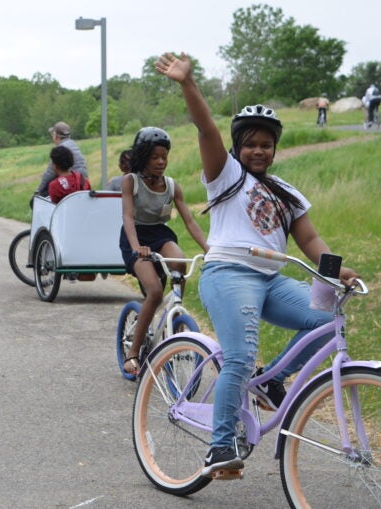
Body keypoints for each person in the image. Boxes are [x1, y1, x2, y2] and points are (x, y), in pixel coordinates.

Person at [156, 52, 358, 478]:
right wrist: (188, 84)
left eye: (266, 144)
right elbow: (206, 128)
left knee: (325, 317)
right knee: (240, 356)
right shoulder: (225, 174)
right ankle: (220, 447)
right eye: (249, 143)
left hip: (271, 278)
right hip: (228, 274)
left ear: (275, 149)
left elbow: (308, 239)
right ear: (237, 147)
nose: (258, 150)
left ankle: (269, 382)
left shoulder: (287, 192)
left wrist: (336, 271)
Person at [119, 126, 209, 376]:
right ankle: (133, 352)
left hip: (160, 235)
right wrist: (137, 248)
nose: (160, 162)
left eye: (164, 157)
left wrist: (208, 248)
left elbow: (190, 221)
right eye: (154, 157)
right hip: (136, 237)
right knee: (155, 291)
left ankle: (176, 322)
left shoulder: (171, 185)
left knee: (179, 264)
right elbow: (127, 216)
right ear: (143, 157)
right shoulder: (131, 181)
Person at [34, 121, 89, 197]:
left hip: (71, 186)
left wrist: (38, 191)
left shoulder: (61, 149)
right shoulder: (73, 144)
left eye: (52, 134)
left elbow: (49, 173)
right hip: (82, 185)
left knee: (39, 199)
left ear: (56, 136)